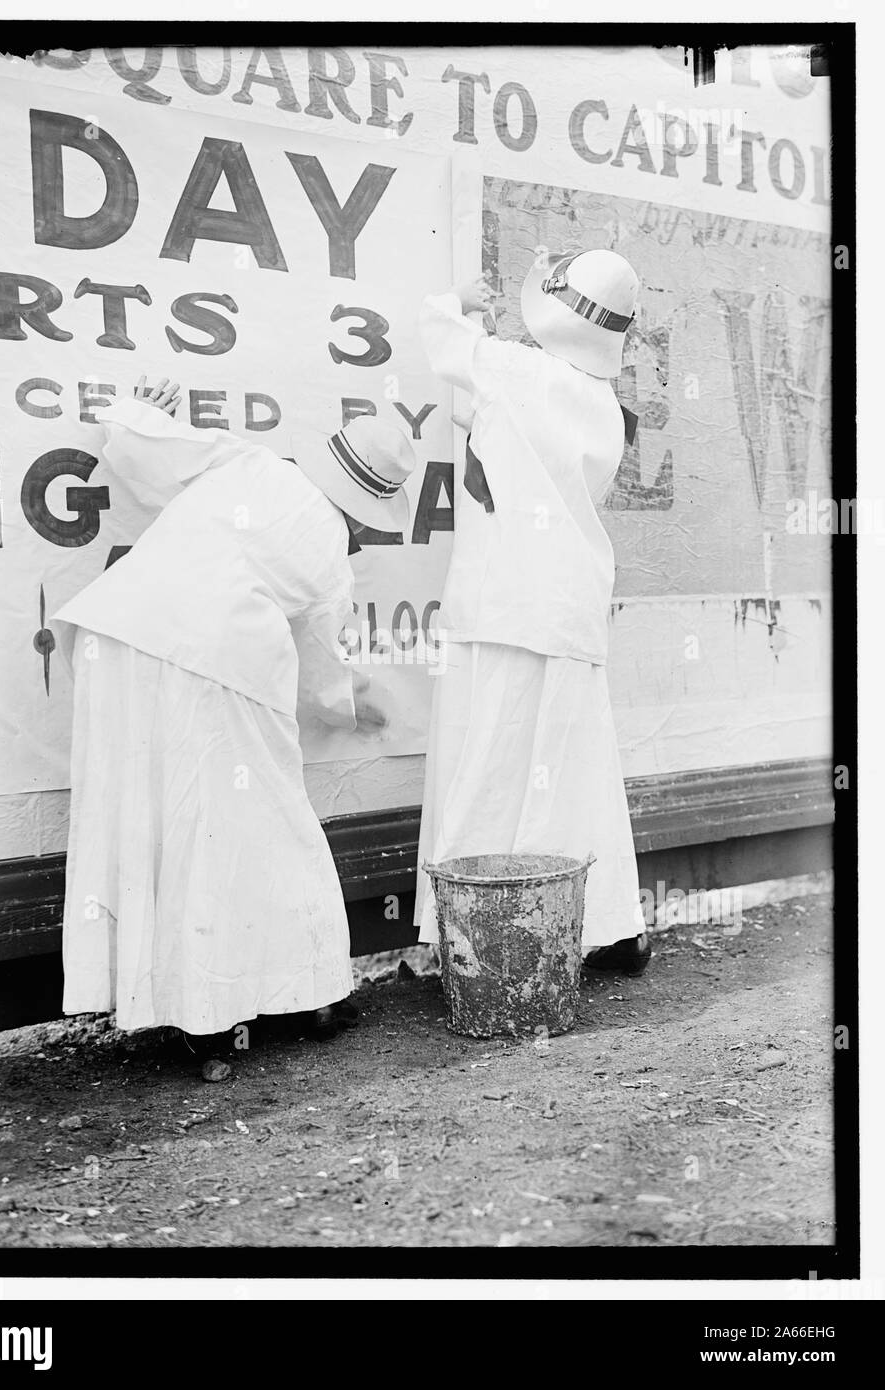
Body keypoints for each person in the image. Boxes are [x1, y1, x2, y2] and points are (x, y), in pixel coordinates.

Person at [52, 377, 416, 1060]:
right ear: (369, 513)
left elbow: (137, 445)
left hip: (116, 636)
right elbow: (318, 663)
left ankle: (186, 1011)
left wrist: (140, 410)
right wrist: (350, 706)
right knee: (257, 823)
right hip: (207, 661)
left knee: (149, 818)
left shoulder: (251, 463)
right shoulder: (332, 556)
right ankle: (296, 999)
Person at [414, 249, 651, 975]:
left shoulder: (519, 374)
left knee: (483, 759)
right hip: (568, 602)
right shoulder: (604, 408)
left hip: (502, 602)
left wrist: (453, 299)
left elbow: (442, 341)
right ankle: (603, 925)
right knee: (575, 766)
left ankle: (469, 942)